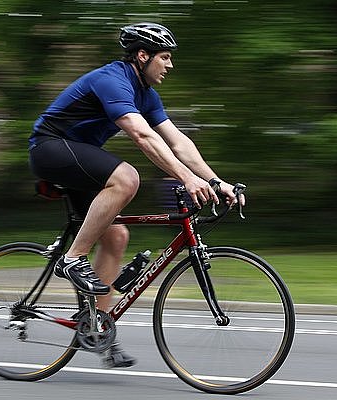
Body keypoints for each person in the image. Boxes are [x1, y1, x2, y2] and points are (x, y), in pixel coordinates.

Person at [28, 22, 244, 367]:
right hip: (50, 148)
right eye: (164, 56)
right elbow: (143, 138)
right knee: (127, 178)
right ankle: (72, 258)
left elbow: (178, 142)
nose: (169, 65)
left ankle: (96, 328)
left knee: (116, 235)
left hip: (80, 160)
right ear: (142, 56)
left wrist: (217, 182)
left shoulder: (146, 94)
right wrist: (186, 179)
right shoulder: (112, 80)